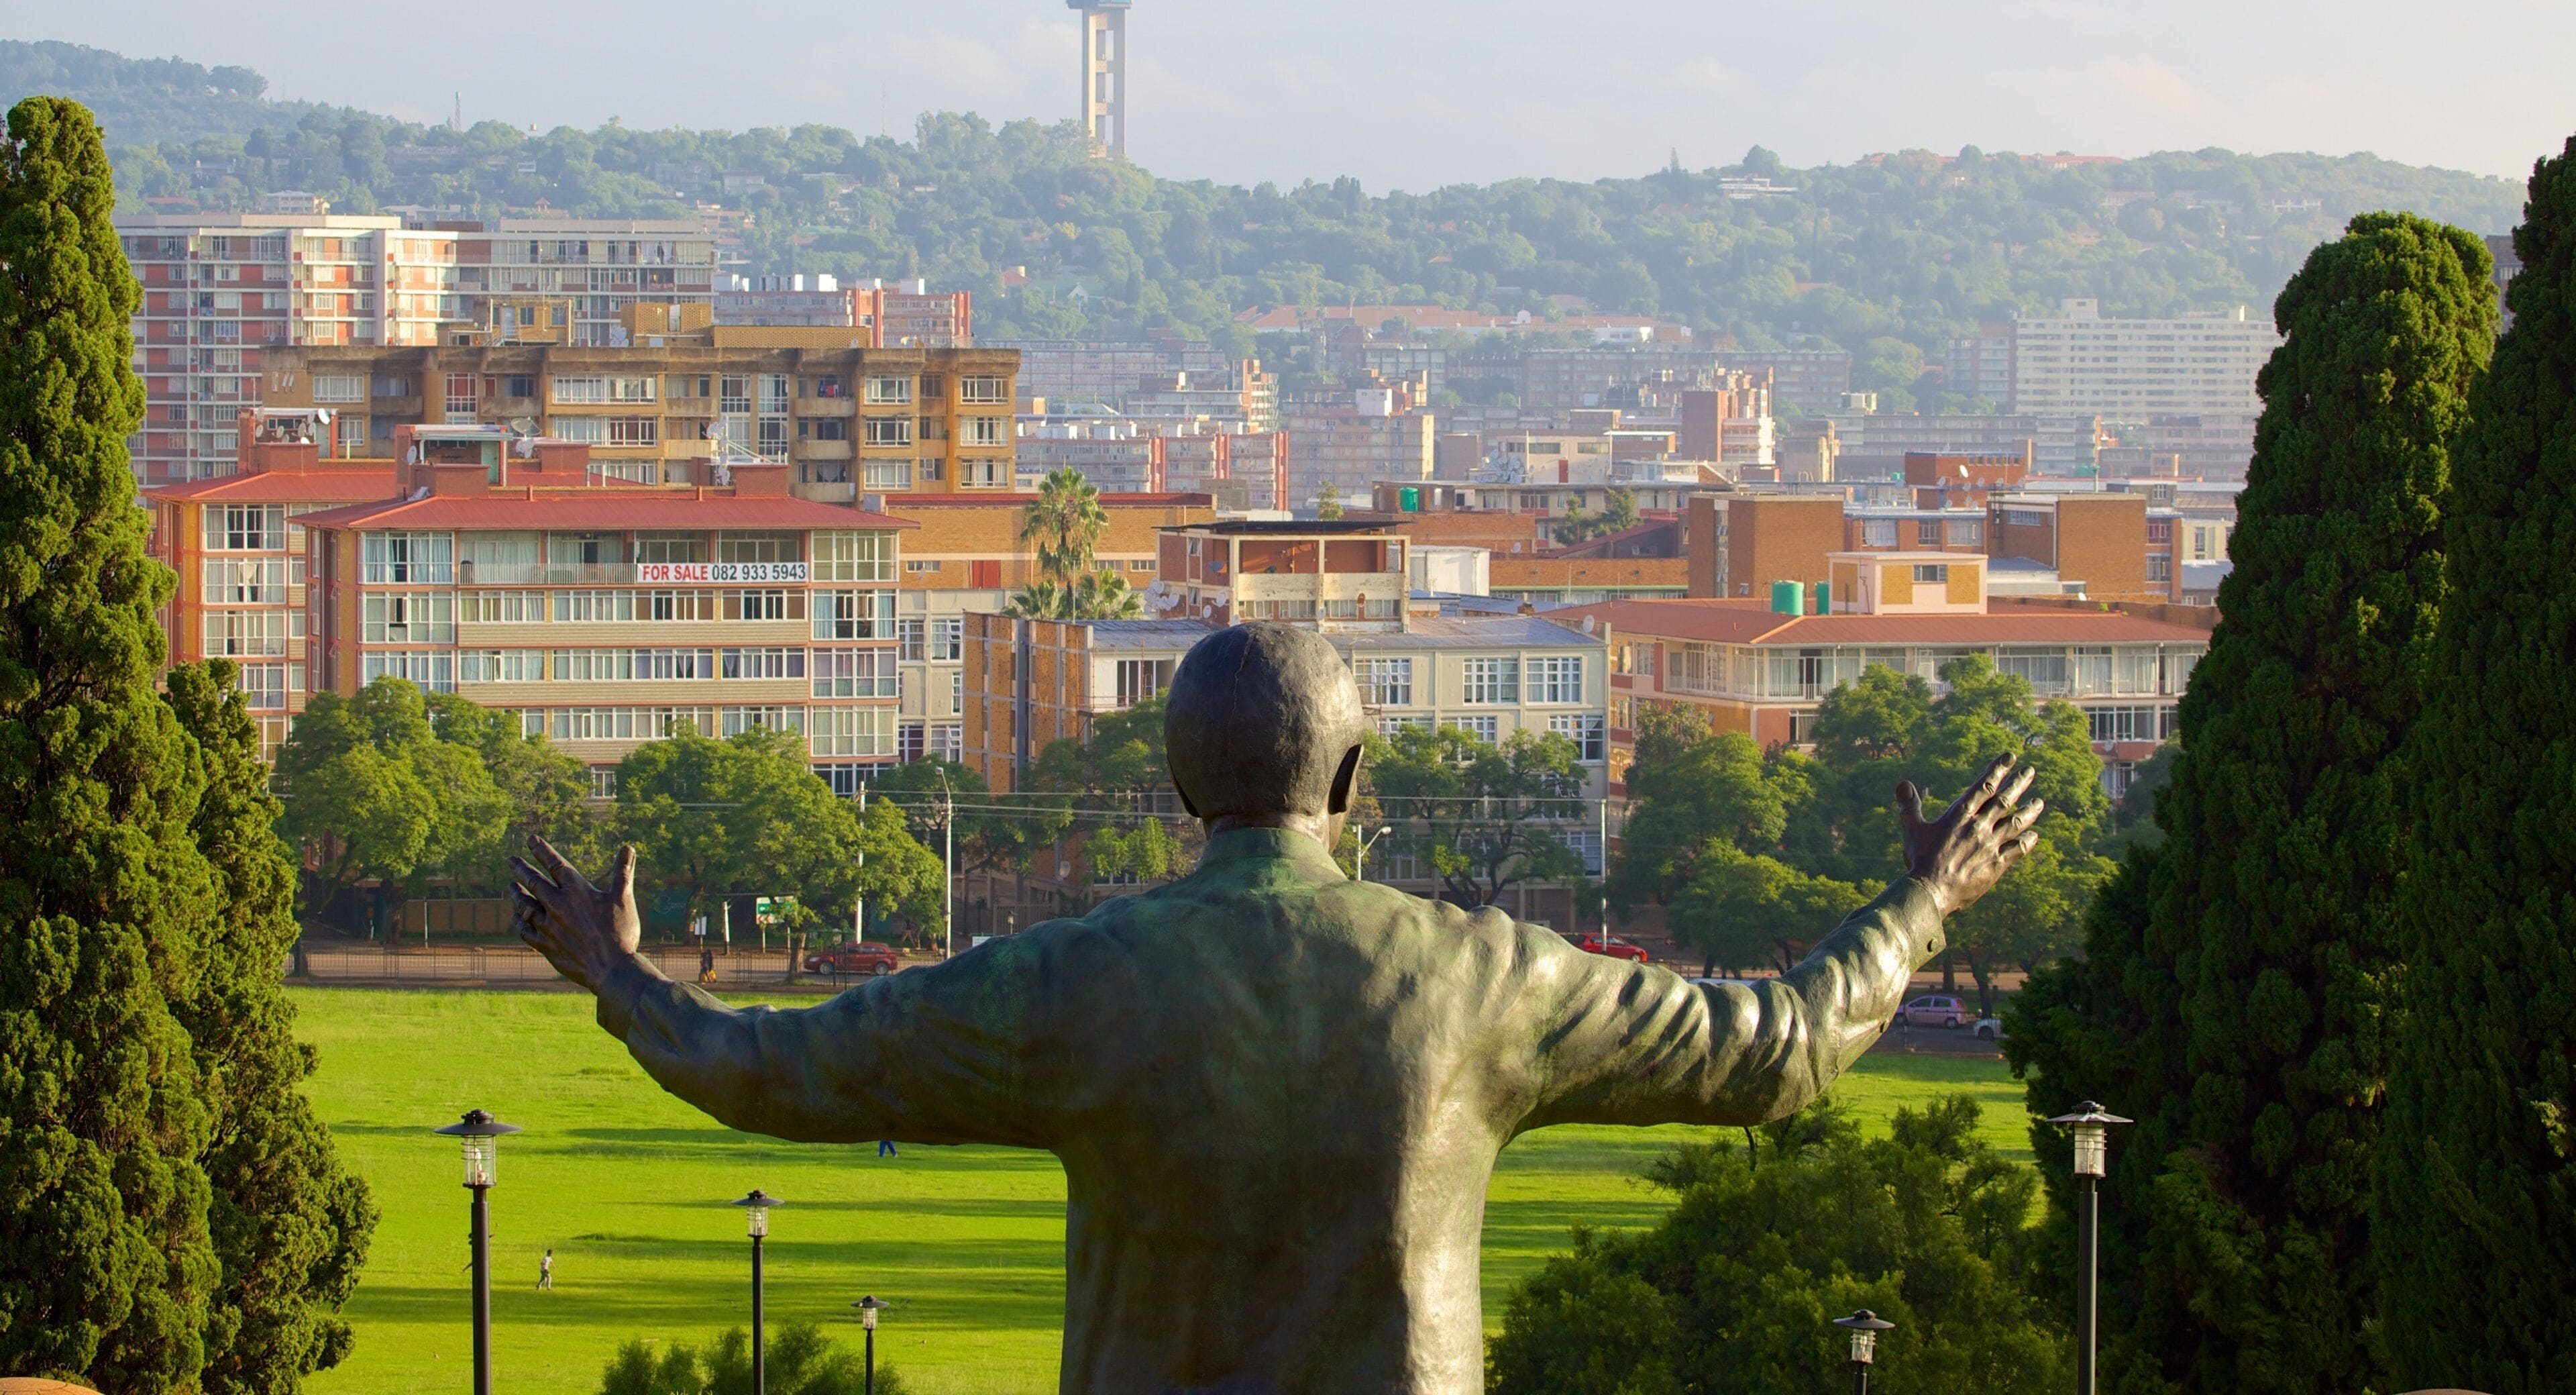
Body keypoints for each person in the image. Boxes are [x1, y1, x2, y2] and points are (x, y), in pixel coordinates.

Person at [514, 623, 2041, 1395]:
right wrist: (1929, 900)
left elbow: (768, 1072)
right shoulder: (1487, 976)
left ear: (1183, 787)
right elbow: (1780, 1051)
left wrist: (618, 971)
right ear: (1356, 786)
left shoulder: (1076, 981)